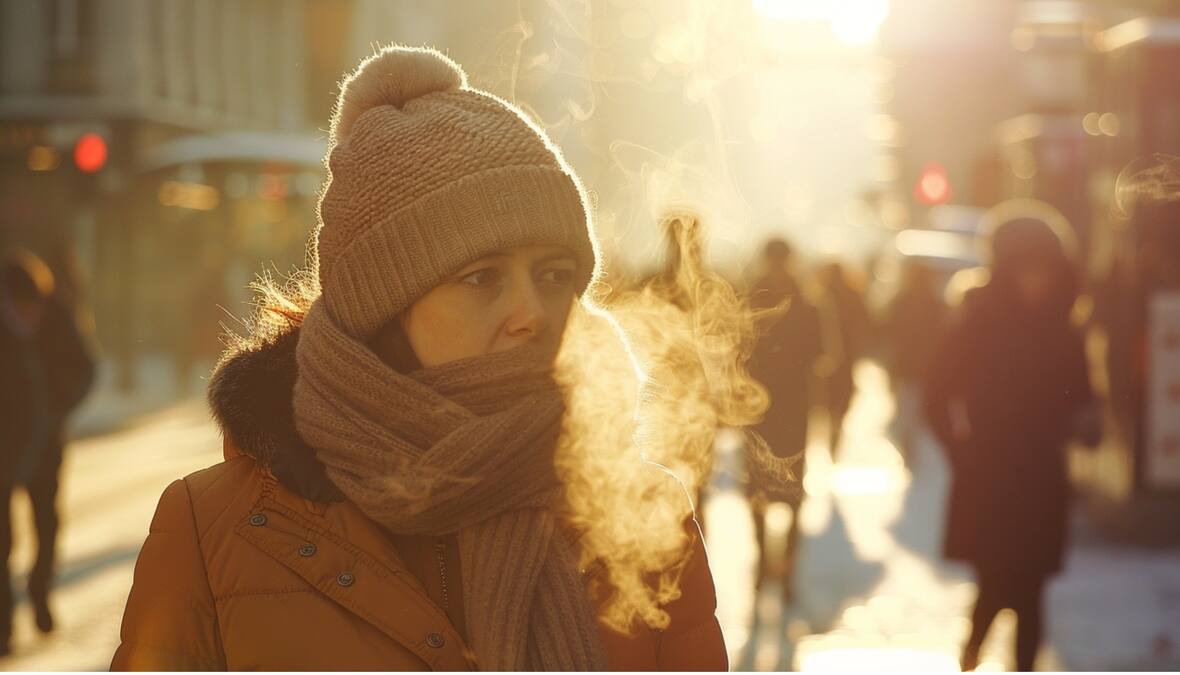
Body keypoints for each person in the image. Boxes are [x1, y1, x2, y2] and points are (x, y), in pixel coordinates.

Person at [111, 47, 727, 671]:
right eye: (482, 278)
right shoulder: (213, 528)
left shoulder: (644, 515)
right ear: (383, 310)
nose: (532, 313)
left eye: (553, 274)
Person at [924, 215, 1101, 672]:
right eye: (1026, 268)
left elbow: (1082, 398)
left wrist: (1085, 424)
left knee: (1031, 590)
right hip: (991, 477)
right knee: (997, 584)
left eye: (1044, 268)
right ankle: (970, 656)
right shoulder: (977, 322)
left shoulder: (1064, 326)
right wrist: (961, 450)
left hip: (1041, 479)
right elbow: (936, 396)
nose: (1036, 280)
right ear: (1005, 269)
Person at [0, 250, 95, 654]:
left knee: (45, 524)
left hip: (44, 442)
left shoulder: (58, 317)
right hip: (4, 444)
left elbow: (86, 368)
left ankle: (40, 589)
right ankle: (3, 621)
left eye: (31, 307)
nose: (26, 316)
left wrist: (58, 405)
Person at [743, 239, 822, 605]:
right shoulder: (806, 302)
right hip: (790, 408)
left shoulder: (752, 298)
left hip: (763, 410)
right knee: (786, 492)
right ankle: (779, 568)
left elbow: (734, 352)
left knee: (762, 490)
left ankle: (769, 565)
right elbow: (823, 354)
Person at [880, 259, 947, 464]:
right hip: (925, 369)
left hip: (908, 369)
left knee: (906, 414)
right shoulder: (935, 304)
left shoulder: (901, 301)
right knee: (916, 415)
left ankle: (910, 453)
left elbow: (888, 334)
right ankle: (912, 453)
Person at [816, 261, 871, 461]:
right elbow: (867, 324)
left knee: (827, 403)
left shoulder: (819, 295)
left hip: (824, 363)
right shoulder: (852, 296)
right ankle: (834, 439)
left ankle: (830, 438)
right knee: (840, 403)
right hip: (846, 360)